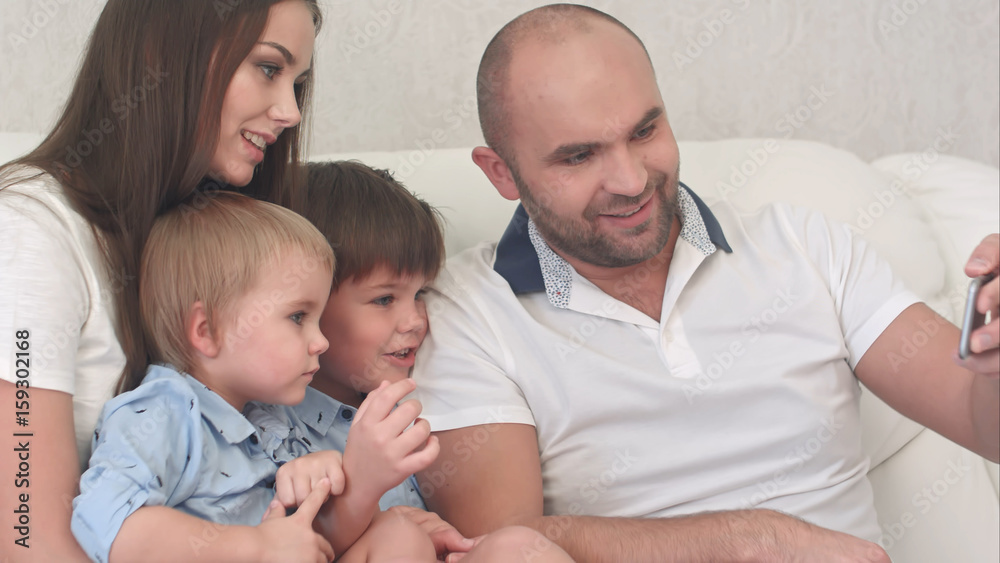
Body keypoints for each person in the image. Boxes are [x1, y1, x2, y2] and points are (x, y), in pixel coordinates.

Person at [409, 4, 1000, 562]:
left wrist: (994, 354)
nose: (632, 178)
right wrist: (753, 540)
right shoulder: (466, 314)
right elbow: (500, 545)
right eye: (580, 156)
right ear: (501, 173)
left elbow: (982, 423)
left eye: (644, 131)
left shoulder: (805, 248)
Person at [0, 1, 321, 560]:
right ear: (160, 58)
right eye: (270, 68)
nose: (291, 111)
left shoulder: (221, 233)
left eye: (299, 82)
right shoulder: (30, 228)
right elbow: (26, 536)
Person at [244, 161, 575, 562]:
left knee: (518, 546)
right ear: (308, 305)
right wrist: (385, 524)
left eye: (421, 293)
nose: (416, 320)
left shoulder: (414, 402)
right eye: (384, 299)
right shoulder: (268, 429)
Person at [72, 192, 343, 563]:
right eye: (298, 317)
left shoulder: (270, 413)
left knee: (400, 536)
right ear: (207, 331)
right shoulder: (165, 411)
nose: (321, 341)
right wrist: (257, 548)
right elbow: (106, 520)